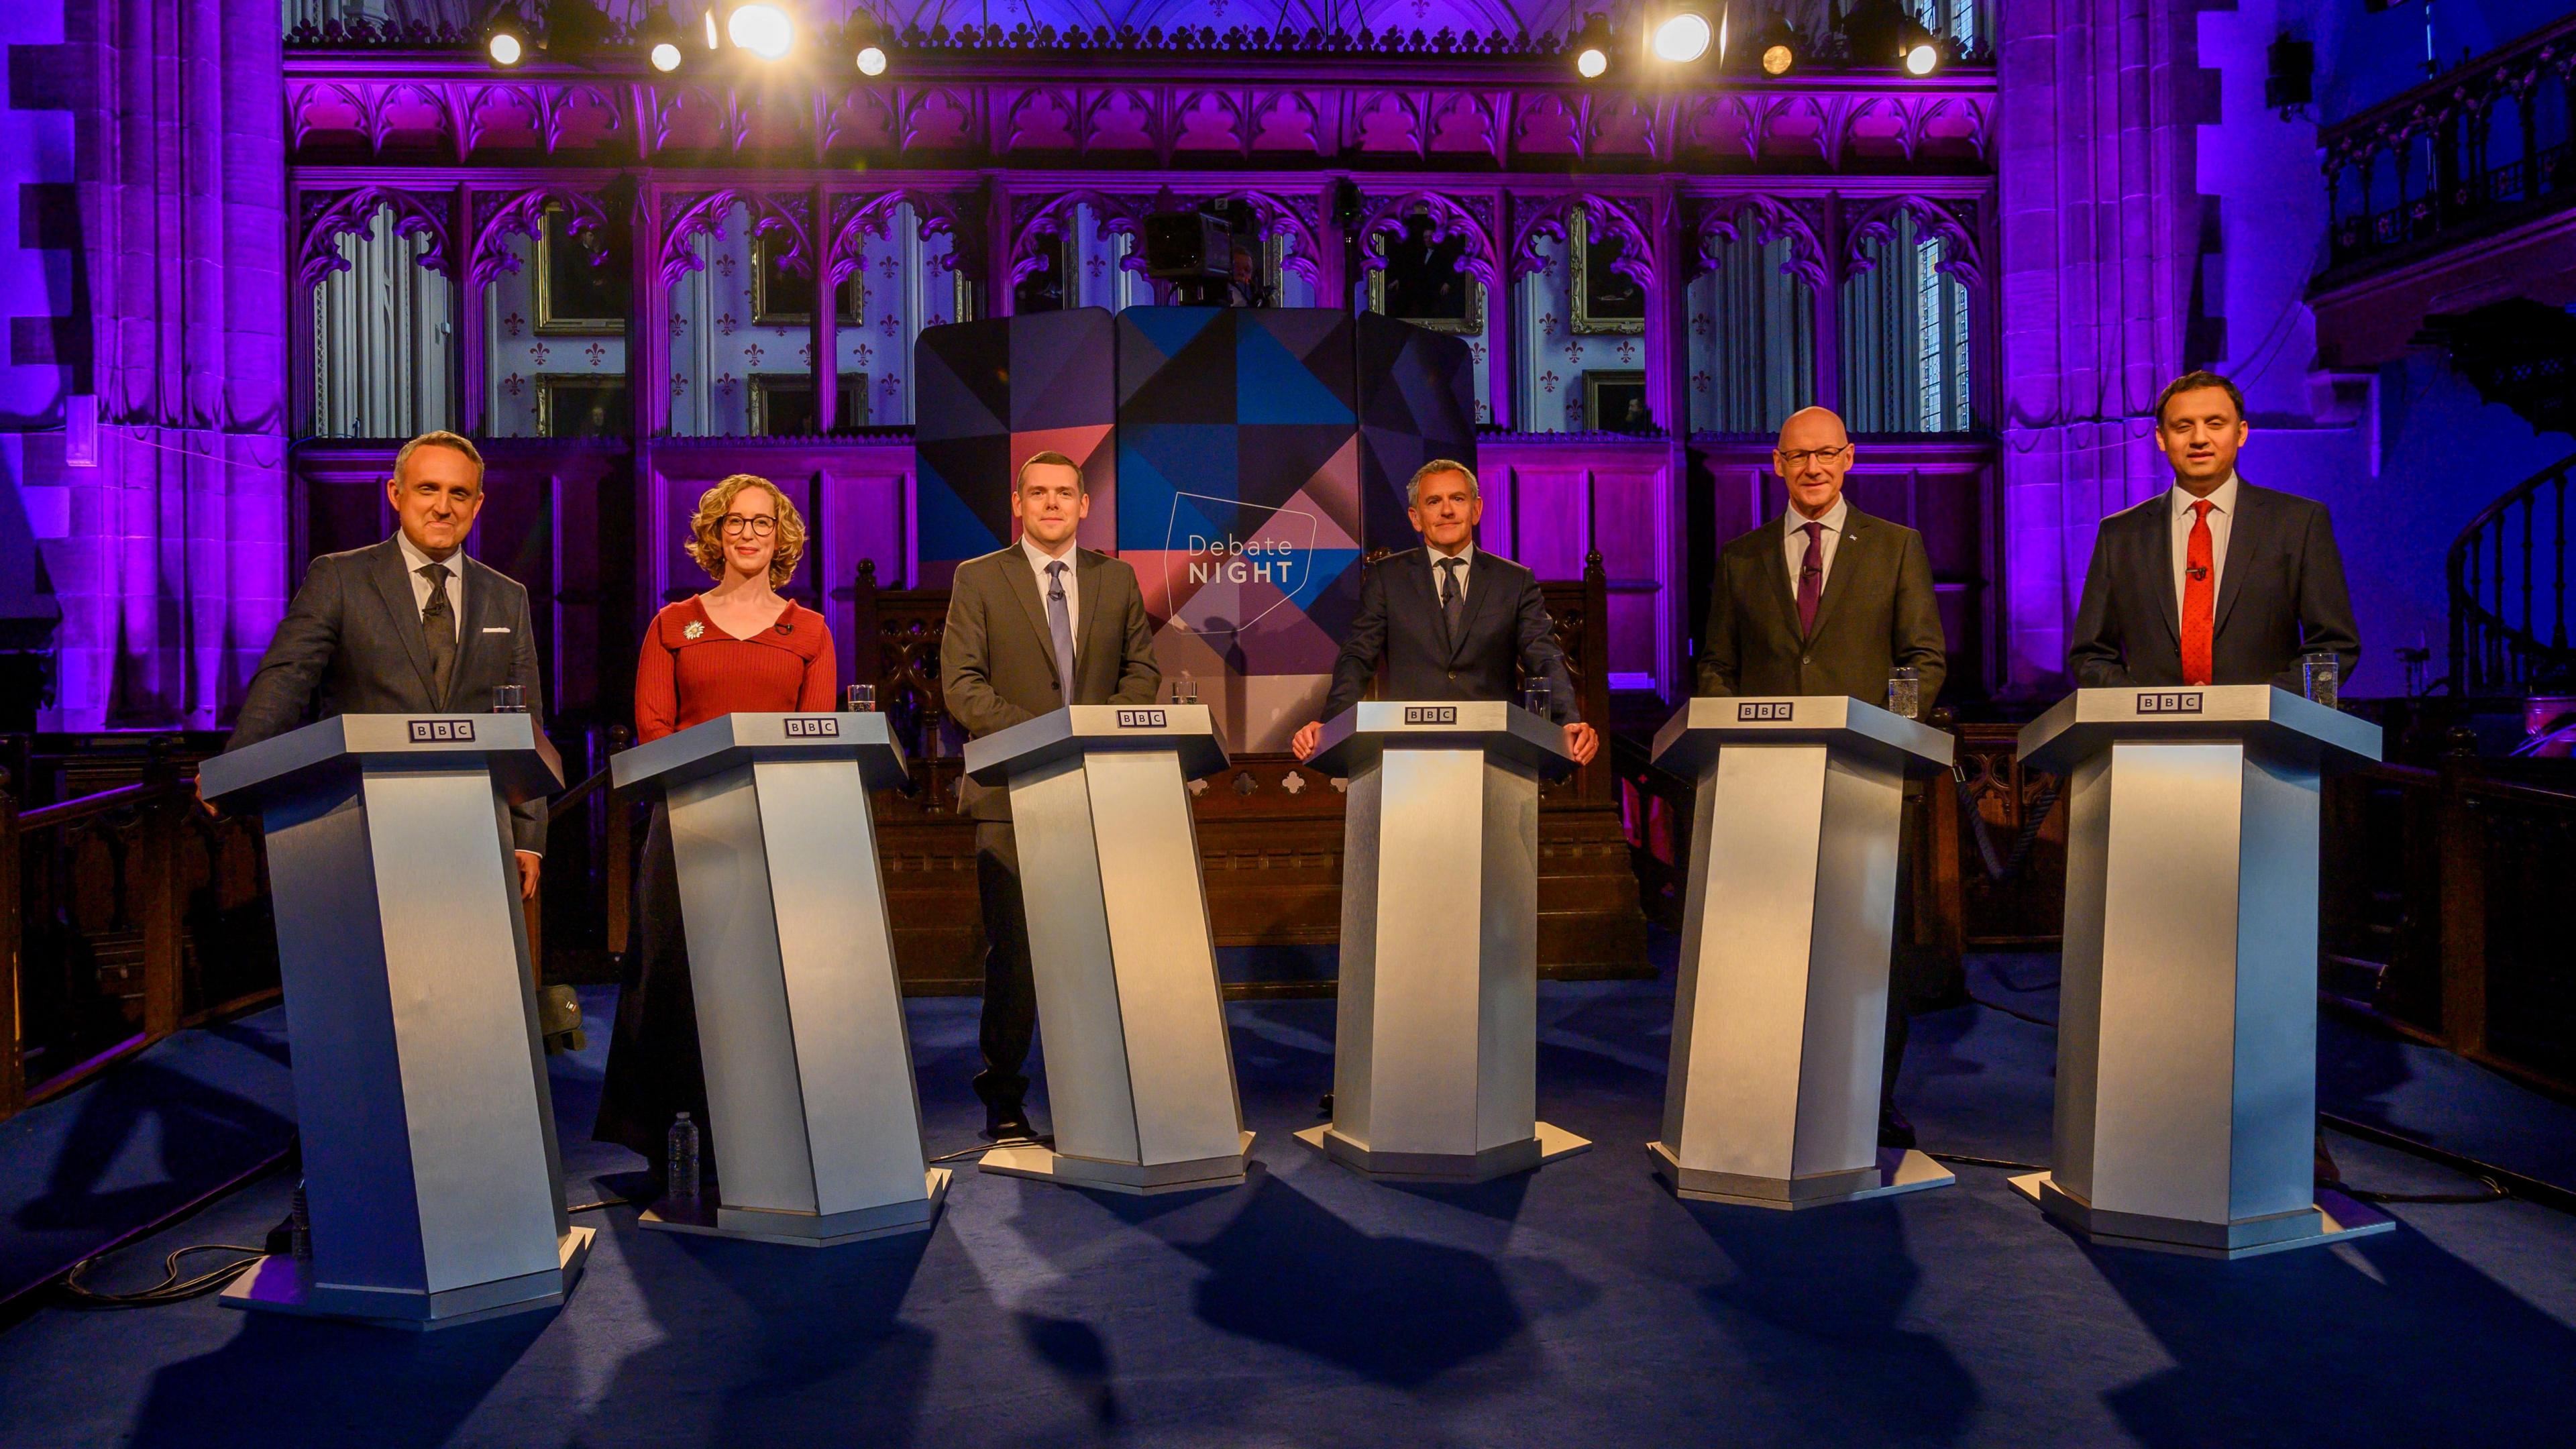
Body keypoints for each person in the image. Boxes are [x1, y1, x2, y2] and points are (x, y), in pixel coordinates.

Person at [1695, 405, 1947, 1148]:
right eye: (1798, 456)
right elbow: (1716, 665)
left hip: (1865, 781)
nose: (1813, 468)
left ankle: (1870, 1097)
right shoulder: (1742, 558)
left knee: (1871, 947)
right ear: (1777, 464)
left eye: (1827, 454)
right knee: (1768, 941)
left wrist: (1884, 733)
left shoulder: (1897, 548)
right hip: (1765, 788)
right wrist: (1733, 740)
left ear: (1849, 459)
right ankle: (1765, 1083)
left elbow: (1924, 659)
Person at [592, 474, 835, 1180]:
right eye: (736, 522)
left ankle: (769, 1130)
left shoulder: (810, 631)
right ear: (714, 534)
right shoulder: (672, 625)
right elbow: (654, 730)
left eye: (764, 523)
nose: (750, 533)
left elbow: (815, 734)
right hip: (688, 824)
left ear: (782, 537)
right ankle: (668, 1134)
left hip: (776, 828)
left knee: (771, 975)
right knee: (673, 976)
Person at [941, 450, 1163, 1141]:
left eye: (1065, 493)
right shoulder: (978, 578)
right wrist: (1053, 735)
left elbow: (1142, 672)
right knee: (1018, 954)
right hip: (1012, 792)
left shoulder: (1117, 579)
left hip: (1098, 789)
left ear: (1085, 504)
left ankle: (1101, 1094)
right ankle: (1003, 1094)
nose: (1052, 505)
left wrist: (1090, 736)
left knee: (1102, 946)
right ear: (1018, 504)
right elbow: (963, 687)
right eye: (1038, 493)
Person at [223, 430, 549, 899]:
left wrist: (529, 837)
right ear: (396, 494)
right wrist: (235, 768)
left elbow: (524, 722)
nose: (443, 507)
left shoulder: (507, 597)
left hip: (474, 830)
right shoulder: (339, 577)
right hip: (358, 819)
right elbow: (287, 679)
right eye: (427, 489)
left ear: (477, 505)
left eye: (459, 493)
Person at [1291, 460, 1601, 767]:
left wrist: (1567, 721)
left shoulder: (1514, 581)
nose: (1447, 511)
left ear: (1476, 509)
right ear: (1416, 517)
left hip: (1496, 753)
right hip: (1409, 753)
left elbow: (1544, 656)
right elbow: (1357, 658)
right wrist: (1332, 726)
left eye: (1458, 499)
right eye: (1433, 501)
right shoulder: (1387, 578)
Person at [2068, 370, 2360, 690]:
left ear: (2241, 433)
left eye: (2215, 424)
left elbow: (2334, 647)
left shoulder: (2298, 522)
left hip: (2265, 732)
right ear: (2161, 438)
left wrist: (2260, 706)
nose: (2199, 438)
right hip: (2151, 734)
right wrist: (2144, 706)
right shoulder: (2120, 535)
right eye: (2183, 427)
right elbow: (2090, 655)